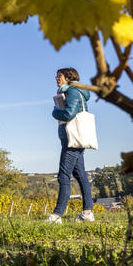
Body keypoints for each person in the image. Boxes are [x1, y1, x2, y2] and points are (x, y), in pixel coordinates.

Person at [46, 67, 94, 224]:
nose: (56, 78)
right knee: (81, 175)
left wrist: (55, 113)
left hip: (71, 139)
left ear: (68, 77)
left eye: (59, 76)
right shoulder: (76, 91)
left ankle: (57, 215)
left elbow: (68, 114)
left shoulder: (72, 91)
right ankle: (87, 213)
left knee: (63, 176)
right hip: (75, 138)